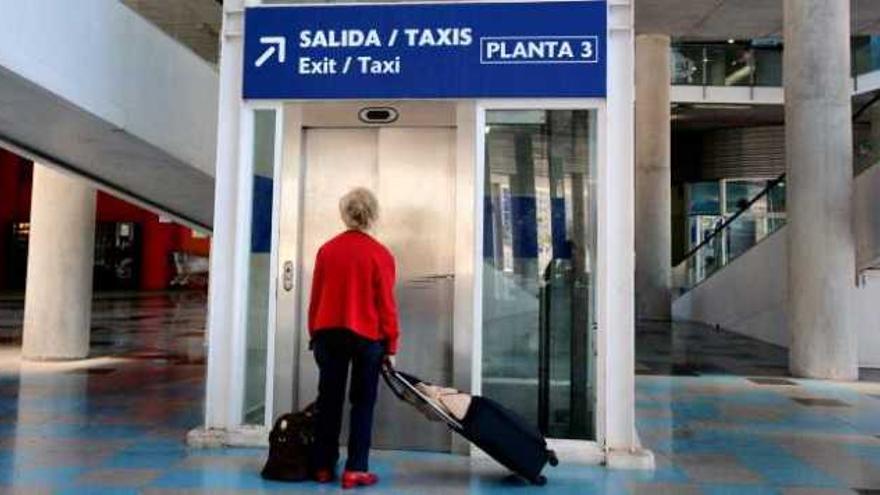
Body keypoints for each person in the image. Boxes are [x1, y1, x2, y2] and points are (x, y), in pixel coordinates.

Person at [308, 187, 400, 490]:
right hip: (367, 338)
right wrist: (392, 344)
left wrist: (314, 333)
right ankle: (355, 469)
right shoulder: (380, 254)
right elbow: (386, 305)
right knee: (362, 403)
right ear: (373, 215)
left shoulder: (326, 250)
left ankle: (322, 466)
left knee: (329, 401)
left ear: (344, 214)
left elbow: (316, 298)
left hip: (328, 334)